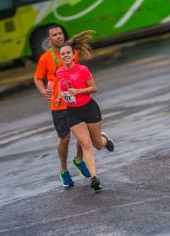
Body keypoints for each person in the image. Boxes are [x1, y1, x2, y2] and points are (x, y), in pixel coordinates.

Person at [56, 31, 114, 193]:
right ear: (60, 57)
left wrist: (79, 91)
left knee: (97, 145)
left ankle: (103, 139)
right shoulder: (59, 72)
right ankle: (95, 179)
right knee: (85, 144)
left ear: (73, 55)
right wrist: (60, 97)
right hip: (73, 113)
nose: (65, 55)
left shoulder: (82, 70)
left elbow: (94, 88)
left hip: (89, 109)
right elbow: (62, 90)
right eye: (62, 54)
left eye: (68, 53)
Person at [34, 25, 90, 188]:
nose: (58, 36)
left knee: (82, 135)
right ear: (49, 39)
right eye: (54, 35)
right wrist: (44, 90)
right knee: (64, 139)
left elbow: (76, 72)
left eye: (60, 33)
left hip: (74, 101)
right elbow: (37, 78)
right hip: (58, 106)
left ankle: (78, 160)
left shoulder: (73, 53)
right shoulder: (45, 58)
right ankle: (64, 170)